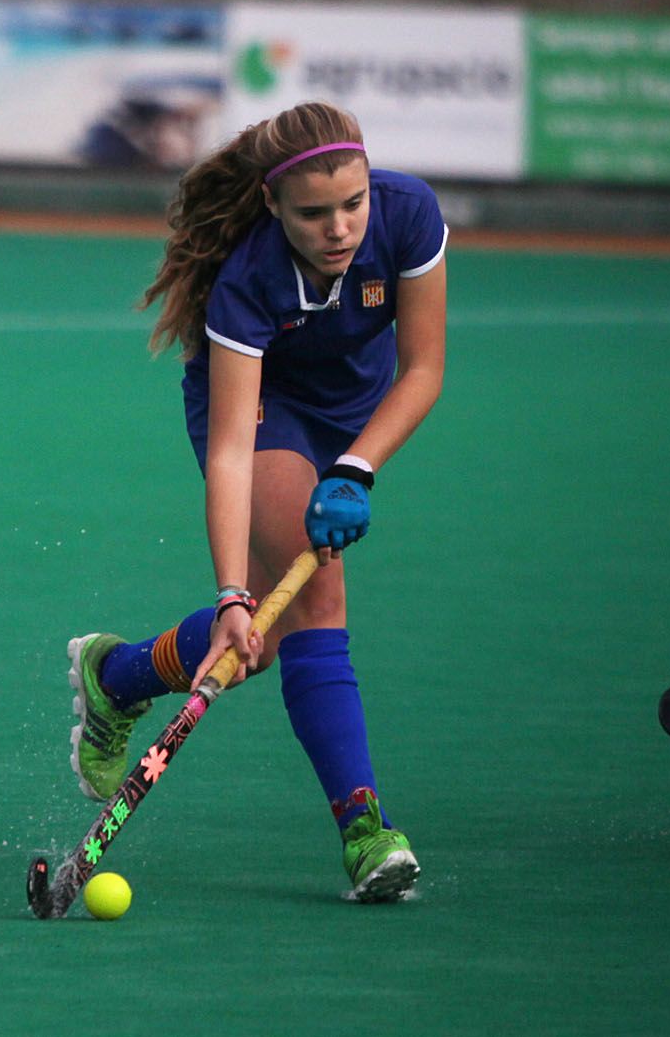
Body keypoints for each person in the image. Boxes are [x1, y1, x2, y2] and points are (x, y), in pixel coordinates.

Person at [65, 101, 448, 900]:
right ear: (273, 207)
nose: (339, 228)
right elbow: (234, 452)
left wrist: (356, 469)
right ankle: (366, 831)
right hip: (260, 409)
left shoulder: (409, 213)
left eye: (353, 203)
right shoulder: (248, 279)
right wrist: (231, 590)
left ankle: (119, 677)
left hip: (351, 413)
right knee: (311, 601)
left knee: (260, 647)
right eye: (313, 214)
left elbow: (422, 370)